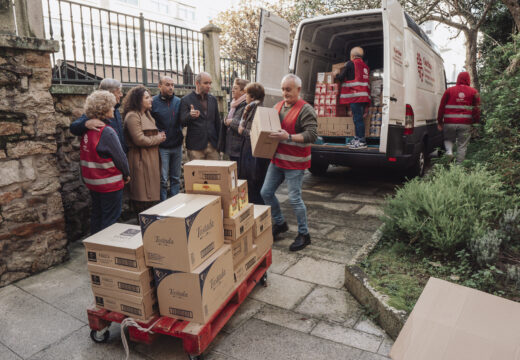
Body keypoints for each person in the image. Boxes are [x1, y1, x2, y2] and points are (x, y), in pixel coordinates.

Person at [260, 74, 318, 252]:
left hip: (295, 163)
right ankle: (280, 223)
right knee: (266, 192)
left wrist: (289, 136)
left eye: (288, 89)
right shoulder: (277, 106)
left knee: (294, 198)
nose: (285, 93)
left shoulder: (306, 110)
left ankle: (304, 234)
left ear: (298, 90)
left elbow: (312, 135)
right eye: (283, 89)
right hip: (277, 160)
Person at [80, 90, 130, 234]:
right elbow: (120, 158)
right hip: (109, 183)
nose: (114, 109)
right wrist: (126, 174)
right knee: (110, 219)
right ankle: (106, 250)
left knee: (97, 215)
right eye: (112, 106)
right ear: (104, 109)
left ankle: (95, 248)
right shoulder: (107, 132)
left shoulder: (87, 130)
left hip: (93, 182)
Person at [122, 85, 166, 217]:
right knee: (142, 194)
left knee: (152, 194)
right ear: (138, 100)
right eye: (147, 97)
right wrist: (158, 138)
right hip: (140, 160)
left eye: (150, 97)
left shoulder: (146, 114)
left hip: (151, 158)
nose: (151, 100)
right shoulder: (132, 116)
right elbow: (139, 140)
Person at [70, 78, 127, 153]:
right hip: (106, 160)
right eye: (118, 92)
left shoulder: (115, 109)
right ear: (110, 93)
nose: (121, 95)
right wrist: (85, 124)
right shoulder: (97, 111)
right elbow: (73, 127)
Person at [235, 82, 270, 204]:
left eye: (246, 94)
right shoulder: (252, 107)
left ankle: (256, 210)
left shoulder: (256, 109)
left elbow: (256, 133)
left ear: (253, 97)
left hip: (253, 154)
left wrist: (242, 131)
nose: (245, 97)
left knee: (253, 183)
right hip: (250, 152)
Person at [437, 71, 480, 164]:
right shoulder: (474, 92)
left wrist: (440, 121)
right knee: (462, 145)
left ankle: (449, 152)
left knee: (448, 140)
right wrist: (475, 123)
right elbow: (477, 109)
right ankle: (458, 167)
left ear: (458, 79)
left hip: (449, 122)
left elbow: (441, 107)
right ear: (468, 79)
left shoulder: (449, 91)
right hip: (465, 123)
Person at [151, 76, 183, 200]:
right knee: (163, 179)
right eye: (167, 84)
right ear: (159, 86)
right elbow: (149, 122)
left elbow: (183, 119)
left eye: (172, 85)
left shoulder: (178, 101)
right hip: (162, 147)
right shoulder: (153, 102)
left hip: (177, 145)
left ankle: (175, 202)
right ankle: (163, 205)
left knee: (175, 178)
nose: (171, 87)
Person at [333, 46, 370, 149]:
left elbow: (341, 77)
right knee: (357, 118)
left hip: (355, 96)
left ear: (352, 56)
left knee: (357, 119)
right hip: (363, 97)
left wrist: (336, 74)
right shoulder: (365, 66)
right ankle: (357, 138)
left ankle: (361, 141)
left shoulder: (350, 63)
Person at [180, 72, 221, 160]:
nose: (209, 86)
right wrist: (190, 115)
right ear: (197, 83)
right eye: (206, 83)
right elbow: (182, 121)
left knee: (214, 172)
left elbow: (217, 122)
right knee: (197, 173)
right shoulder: (185, 100)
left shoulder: (213, 99)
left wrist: (220, 144)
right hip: (195, 146)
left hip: (212, 146)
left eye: (210, 83)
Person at [220, 78, 249, 166]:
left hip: (239, 148)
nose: (232, 90)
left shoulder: (246, 105)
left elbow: (244, 124)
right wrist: (226, 120)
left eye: (235, 88)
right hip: (232, 146)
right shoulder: (234, 103)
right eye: (232, 88)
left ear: (243, 91)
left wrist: (231, 121)